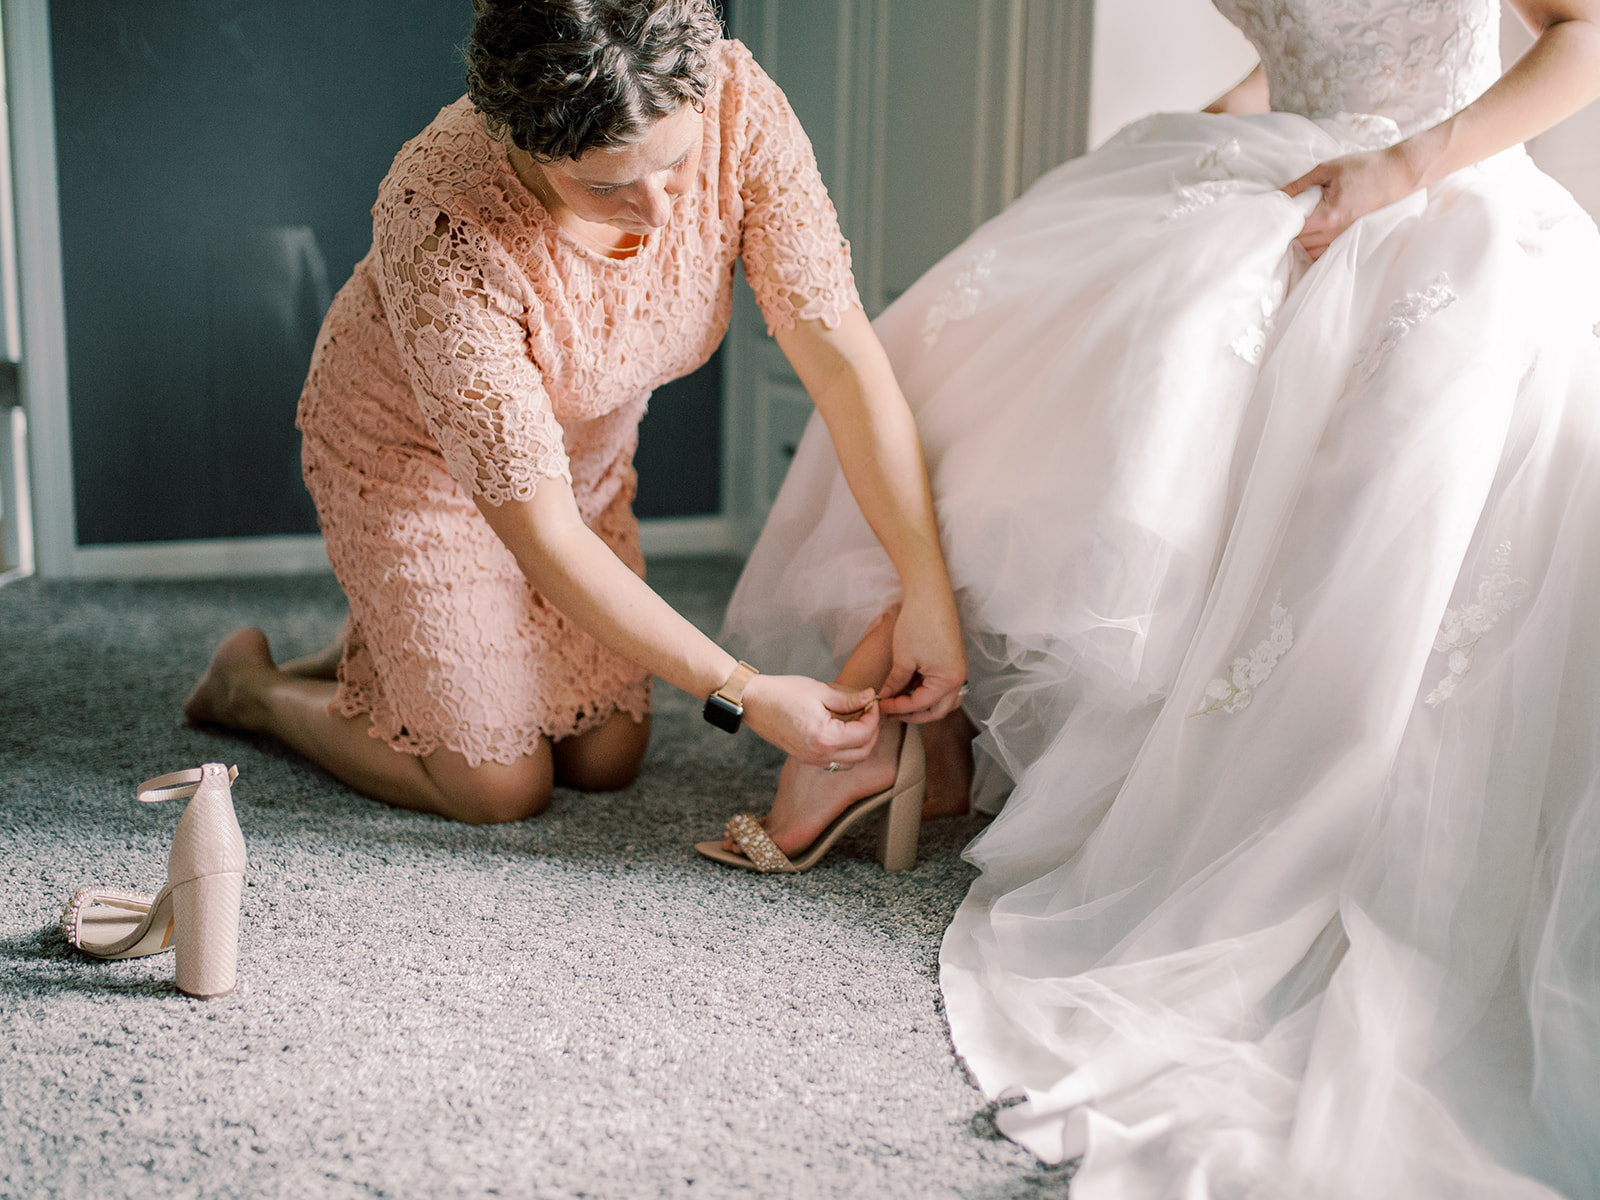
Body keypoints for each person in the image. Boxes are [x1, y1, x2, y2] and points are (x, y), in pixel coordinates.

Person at [721, 0, 1600, 1193]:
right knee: (1089, 298)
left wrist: (1402, 164)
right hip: (1290, 155)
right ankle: (912, 693)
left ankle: (900, 719)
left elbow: (1580, 35)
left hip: (1439, 185)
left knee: (1199, 336)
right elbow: (1311, 40)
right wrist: (1225, 117)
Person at [183, 0, 965, 826]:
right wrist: (744, 691)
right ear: (520, 142)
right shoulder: (443, 217)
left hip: (581, 452)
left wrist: (928, 590)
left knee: (605, 756)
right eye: (605, 184)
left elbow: (844, 368)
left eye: (677, 164)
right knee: (499, 786)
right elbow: (547, 537)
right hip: (409, 457)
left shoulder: (741, 105)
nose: (660, 213)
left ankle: (399, 643)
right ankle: (253, 689)